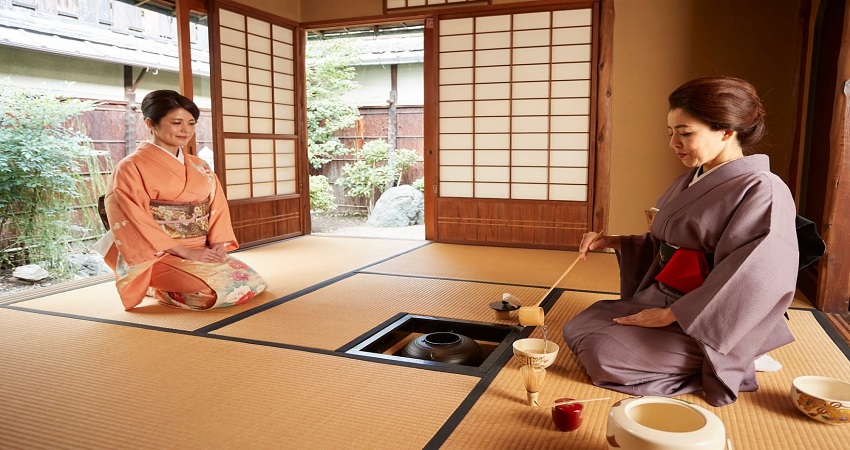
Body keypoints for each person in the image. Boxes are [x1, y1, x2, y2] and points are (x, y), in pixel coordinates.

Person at [563, 76, 799, 407]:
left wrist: (675, 313)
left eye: (685, 133)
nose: (674, 142)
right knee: (580, 325)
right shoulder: (692, 178)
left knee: (605, 354)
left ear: (726, 131)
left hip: (715, 318)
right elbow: (670, 245)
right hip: (667, 297)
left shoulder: (763, 190)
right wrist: (615, 241)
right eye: (670, 133)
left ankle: (738, 358)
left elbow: (755, 276)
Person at [95, 90, 267, 311]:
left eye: (191, 123)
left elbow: (217, 207)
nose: (186, 130)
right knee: (210, 294)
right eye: (176, 122)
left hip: (201, 247)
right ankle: (151, 284)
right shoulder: (130, 167)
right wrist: (185, 252)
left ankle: (165, 286)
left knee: (250, 284)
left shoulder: (199, 165)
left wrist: (217, 245)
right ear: (151, 123)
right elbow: (132, 216)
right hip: (157, 252)